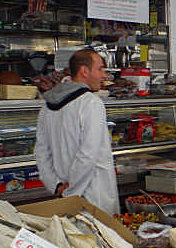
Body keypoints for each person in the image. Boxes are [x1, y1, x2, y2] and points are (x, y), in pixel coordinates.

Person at [34, 48, 120, 215]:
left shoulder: (47, 106)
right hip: (94, 196)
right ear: (84, 71)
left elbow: (41, 152)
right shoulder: (91, 103)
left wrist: (55, 185)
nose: (104, 75)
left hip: (64, 195)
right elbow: (88, 154)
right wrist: (72, 191)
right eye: (100, 69)